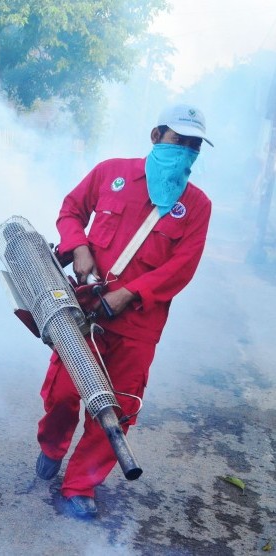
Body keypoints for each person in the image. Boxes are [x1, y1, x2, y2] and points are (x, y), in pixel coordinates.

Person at [35, 104, 213, 518]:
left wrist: (131, 292)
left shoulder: (197, 205)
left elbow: (182, 265)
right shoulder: (110, 172)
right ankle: (52, 445)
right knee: (63, 392)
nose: (185, 150)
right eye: (177, 140)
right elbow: (71, 210)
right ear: (155, 136)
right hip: (85, 312)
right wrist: (78, 247)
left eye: (193, 146)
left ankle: (81, 484)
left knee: (117, 406)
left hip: (138, 325)